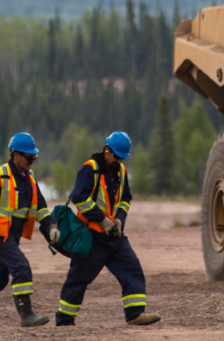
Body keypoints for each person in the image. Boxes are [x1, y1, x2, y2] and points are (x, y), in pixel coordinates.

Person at [54, 131, 161, 326]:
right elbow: (79, 198)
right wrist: (101, 219)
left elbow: (125, 199)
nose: (119, 161)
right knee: (78, 279)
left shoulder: (121, 171)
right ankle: (64, 321)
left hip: (114, 236)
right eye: (116, 156)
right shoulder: (90, 169)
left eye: (122, 158)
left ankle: (135, 314)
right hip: (91, 237)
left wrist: (119, 220)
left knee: (132, 268)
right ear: (107, 150)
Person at [0, 132, 59, 327]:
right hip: (1, 234)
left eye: (34, 158)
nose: (31, 161)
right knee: (21, 267)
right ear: (15, 155)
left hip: (15, 234)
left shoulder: (29, 177)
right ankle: (26, 315)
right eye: (28, 157)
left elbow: (40, 206)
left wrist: (51, 224)